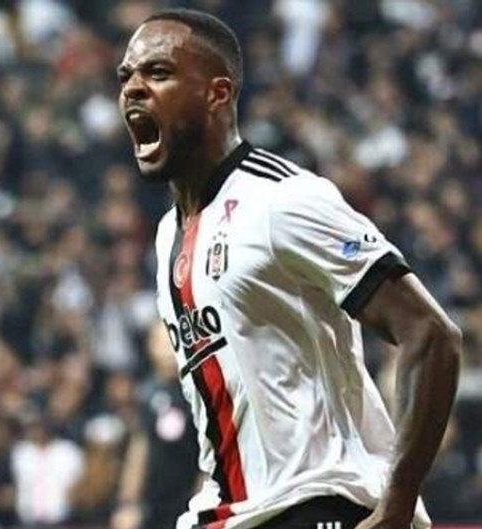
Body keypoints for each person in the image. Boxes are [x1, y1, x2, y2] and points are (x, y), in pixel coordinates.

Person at [116, 8, 461, 529]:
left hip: (318, 502)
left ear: (218, 94)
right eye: (126, 76)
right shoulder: (169, 234)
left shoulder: (281, 200)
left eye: (158, 72)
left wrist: (396, 506)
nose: (133, 89)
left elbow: (430, 333)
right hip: (232, 513)